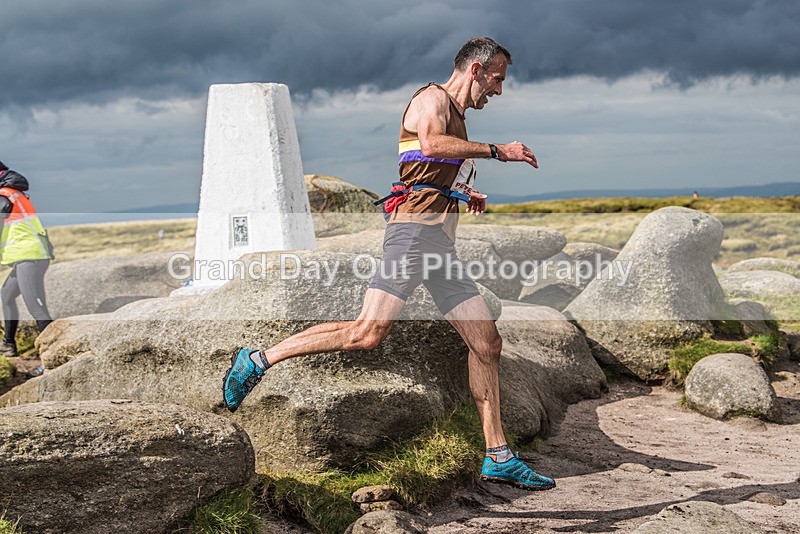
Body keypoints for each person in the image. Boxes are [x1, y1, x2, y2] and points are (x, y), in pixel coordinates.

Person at [223, 37, 555, 491]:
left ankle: (498, 455)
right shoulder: (431, 99)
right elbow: (431, 144)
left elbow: (420, 168)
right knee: (368, 332)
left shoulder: (457, 114)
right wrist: (500, 150)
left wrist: (459, 192)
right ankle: (259, 359)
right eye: (496, 80)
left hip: (438, 245)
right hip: (413, 235)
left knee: (487, 343)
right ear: (475, 70)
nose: (498, 91)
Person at [0, 161, 54, 357]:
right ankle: (8, 344)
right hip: (27, 256)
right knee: (6, 296)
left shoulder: (4, 196)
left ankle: (53, 352)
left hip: (30, 257)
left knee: (36, 308)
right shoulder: (12, 193)